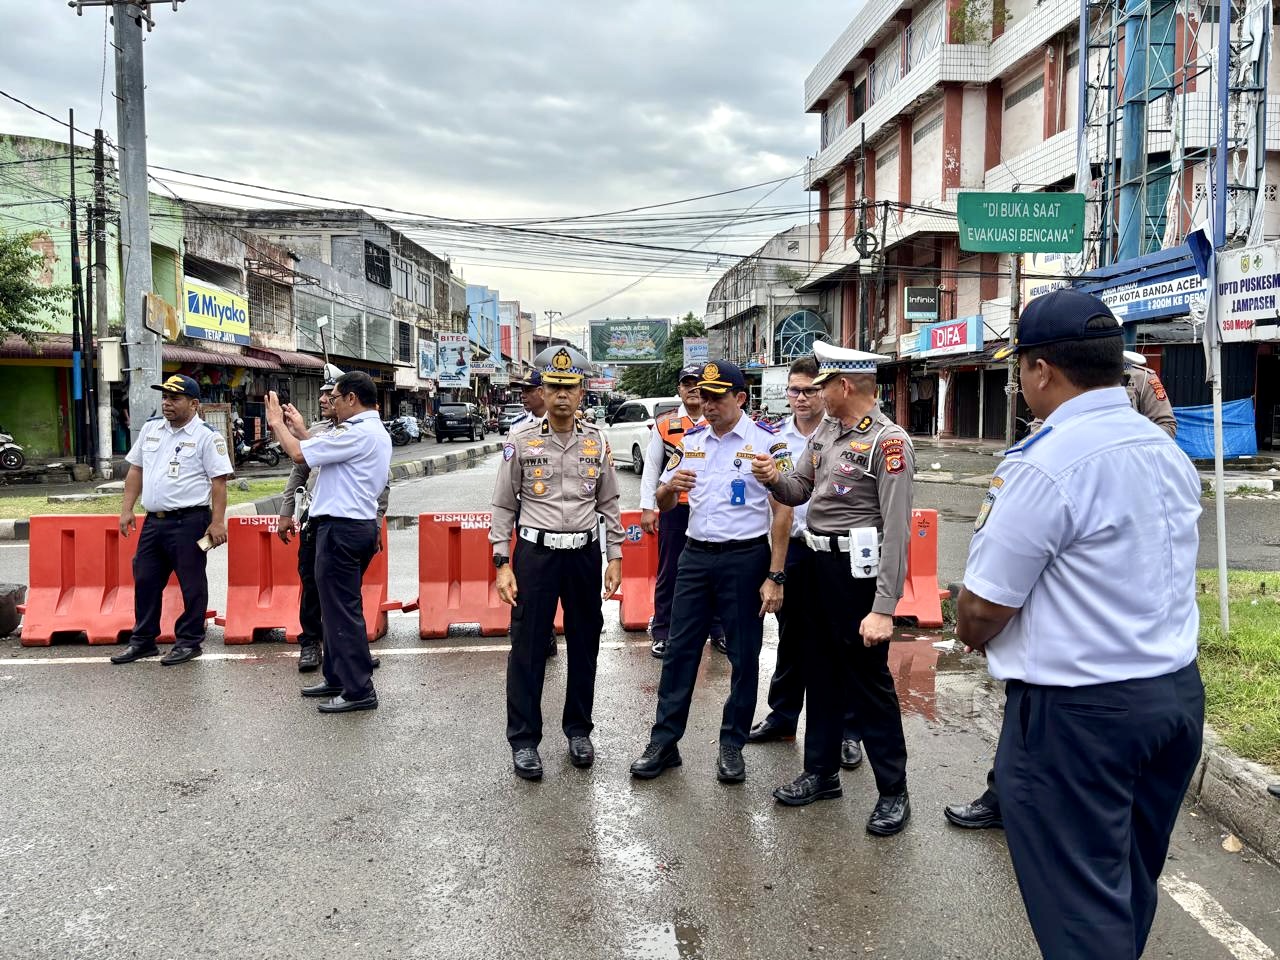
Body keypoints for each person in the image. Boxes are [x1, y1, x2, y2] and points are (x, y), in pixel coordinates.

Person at [955, 289, 1203, 958]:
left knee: (1079, 909)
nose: (1019, 384)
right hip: (1174, 698)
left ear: (1041, 370)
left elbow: (982, 608)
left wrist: (967, 627)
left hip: (1080, 717)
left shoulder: (1044, 464)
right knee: (1126, 883)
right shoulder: (1164, 452)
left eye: (1020, 370)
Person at [945, 348, 1179, 830]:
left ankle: (1019, 796)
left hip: (1086, 689)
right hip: (1146, 680)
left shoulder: (1134, 392)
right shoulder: (1045, 444)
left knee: (1076, 870)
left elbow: (1165, 429)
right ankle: (1003, 792)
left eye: (1023, 367)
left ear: (1044, 369)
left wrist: (1104, 457)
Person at [752, 341, 914, 836]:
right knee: (818, 671)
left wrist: (884, 608)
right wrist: (771, 477)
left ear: (844, 386)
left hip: (857, 576)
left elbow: (897, 531)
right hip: (816, 568)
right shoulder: (826, 432)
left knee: (868, 681)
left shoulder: (888, 443)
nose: (816, 393)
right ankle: (821, 774)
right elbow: (798, 490)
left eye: (823, 384)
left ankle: (893, 790)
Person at [630, 360, 791, 785]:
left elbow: (783, 511)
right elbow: (665, 503)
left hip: (745, 559)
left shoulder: (767, 444)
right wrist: (668, 489)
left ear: (740, 398)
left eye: (718, 396)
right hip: (695, 557)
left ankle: (732, 744)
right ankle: (665, 742)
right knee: (680, 650)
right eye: (704, 395)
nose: (708, 403)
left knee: (743, 655)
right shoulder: (693, 441)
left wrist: (775, 575)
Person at [491, 346, 624, 780]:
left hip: (584, 554)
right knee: (528, 648)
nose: (562, 395)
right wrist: (501, 563)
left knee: (586, 644)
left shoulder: (597, 441)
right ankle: (525, 740)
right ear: (542, 392)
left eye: (569, 387)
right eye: (553, 387)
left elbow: (609, 503)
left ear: (582, 390)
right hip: (536, 555)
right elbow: (503, 506)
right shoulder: (520, 442)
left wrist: (615, 556)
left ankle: (579, 730)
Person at [747, 356, 863, 771]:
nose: (800, 397)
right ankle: (782, 716)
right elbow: (778, 502)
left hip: (836, 551)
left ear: (829, 389)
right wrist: (774, 569)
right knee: (792, 637)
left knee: (842, 640)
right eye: (794, 390)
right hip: (792, 549)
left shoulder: (847, 435)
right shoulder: (775, 438)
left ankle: (850, 730)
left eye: (810, 389)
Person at [265, 371, 392, 714]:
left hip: (342, 530)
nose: (331, 404)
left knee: (341, 613)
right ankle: (337, 677)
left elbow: (297, 455)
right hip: (345, 527)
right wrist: (301, 431)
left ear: (352, 398)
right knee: (334, 610)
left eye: (335, 398)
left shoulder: (359, 432)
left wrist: (276, 423)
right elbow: (316, 455)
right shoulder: (365, 432)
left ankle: (358, 689)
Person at [110, 374, 234, 666]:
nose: (167, 403)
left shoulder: (206, 436)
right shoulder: (152, 429)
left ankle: (189, 641)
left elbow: (219, 483)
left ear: (193, 404)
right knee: (146, 579)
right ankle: (142, 641)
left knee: (192, 583)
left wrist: (217, 523)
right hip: (154, 522)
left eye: (174, 398)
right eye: (164, 397)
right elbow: (135, 471)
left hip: (189, 522)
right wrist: (127, 510)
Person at [639, 363, 726, 658]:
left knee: (716, 572)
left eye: (696, 383)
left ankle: (718, 630)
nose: (692, 388)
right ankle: (663, 630)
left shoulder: (719, 419)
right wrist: (648, 507)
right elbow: (652, 469)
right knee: (670, 571)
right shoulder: (665, 425)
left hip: (711, 509)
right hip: (676, 509)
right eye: (686, 383)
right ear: (679, 389)